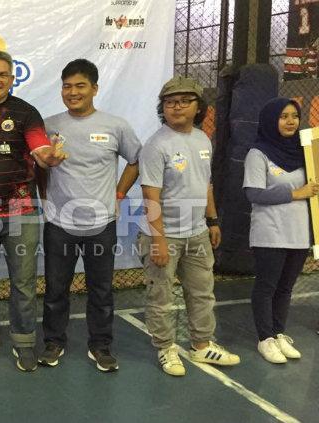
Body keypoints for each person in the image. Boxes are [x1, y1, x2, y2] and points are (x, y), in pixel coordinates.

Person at [0, 50, 66, 372]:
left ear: (12, 78)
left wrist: (49, 157)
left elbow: (40, 147)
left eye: (2, 74)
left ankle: (23, 340)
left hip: (23, 213)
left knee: (23, 281)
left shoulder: (26, 112)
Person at [40, 59, 141, 372]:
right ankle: (54, 342)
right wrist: (44, 193)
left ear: (94, 89)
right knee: (56, 289)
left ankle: (100, 345)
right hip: (59, 224)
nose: (73, 92)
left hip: (102, 225)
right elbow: (38, 165)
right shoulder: (49, 125)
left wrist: (120, 193)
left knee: (101, 290)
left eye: (80, 85)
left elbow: (137, 160)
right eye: (67, 86)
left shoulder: (116, 125)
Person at [138, 76, 240, 377]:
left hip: (197, 232)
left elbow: (205, 184)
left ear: (199, 107)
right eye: (170, 103)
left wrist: (212, 220)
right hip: (164, 233)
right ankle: (166, 348)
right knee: (161, 296)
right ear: (162, 109)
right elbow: (150, 196)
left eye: (185, 101)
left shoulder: (201, 139)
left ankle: (201, 345)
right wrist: (157, 241)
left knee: (202, 292)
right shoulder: (156, 146)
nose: (176, 107)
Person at [243, 97, 317, 363]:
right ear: (271, 120)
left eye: (294, 116)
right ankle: (265, 339)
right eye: (283, 116)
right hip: (270, 233)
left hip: (299, 233)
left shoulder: (305, 152)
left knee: (286, 288)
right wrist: (295, 193)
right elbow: (254, 193)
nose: (290, 121)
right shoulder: (258, 153)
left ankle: (279, 333)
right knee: (267, 287)